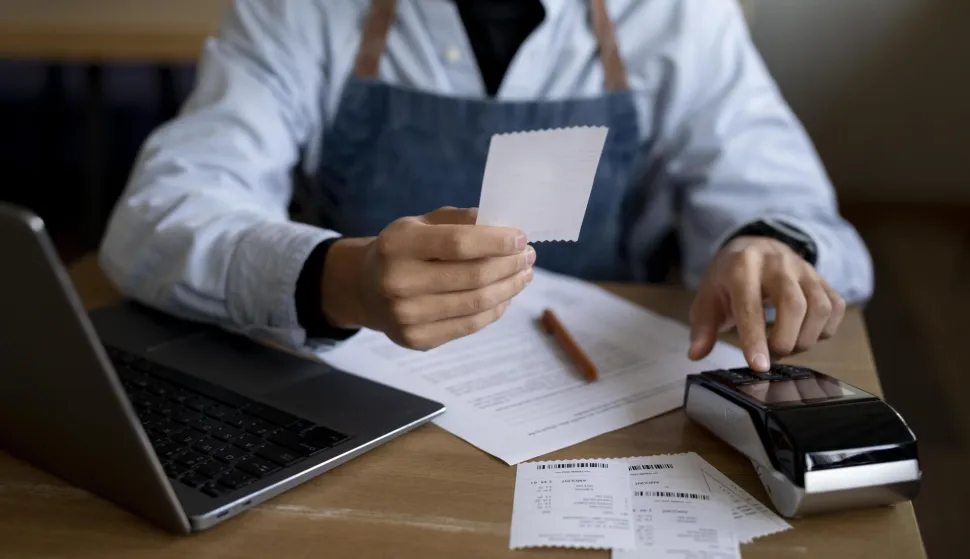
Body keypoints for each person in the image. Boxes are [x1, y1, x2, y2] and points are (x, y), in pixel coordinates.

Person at [99, 0, 873, 373]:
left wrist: (770, 247)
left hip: (600, 398)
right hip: (353, 397)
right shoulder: (304, 9)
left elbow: (809, 222)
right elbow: (152, 218)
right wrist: (338, 280)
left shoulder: (674, 14)